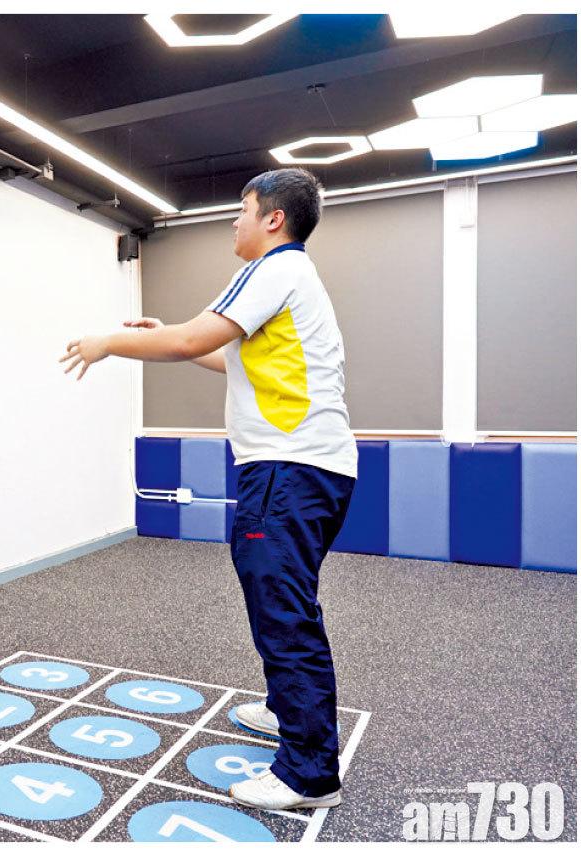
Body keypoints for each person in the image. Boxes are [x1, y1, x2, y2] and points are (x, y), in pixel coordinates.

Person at [59, 167, 358, 811]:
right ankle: (290, 712)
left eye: (242, 209)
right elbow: (224, 354)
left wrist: (110, 342)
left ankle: (309, 773)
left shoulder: (273, 268)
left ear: (273, 219)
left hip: (288, 468)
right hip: (306, 468)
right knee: (283, 601)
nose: (234, 220)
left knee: (282, 611)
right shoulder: (291, 278)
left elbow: (195, 337)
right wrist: (159, 334)